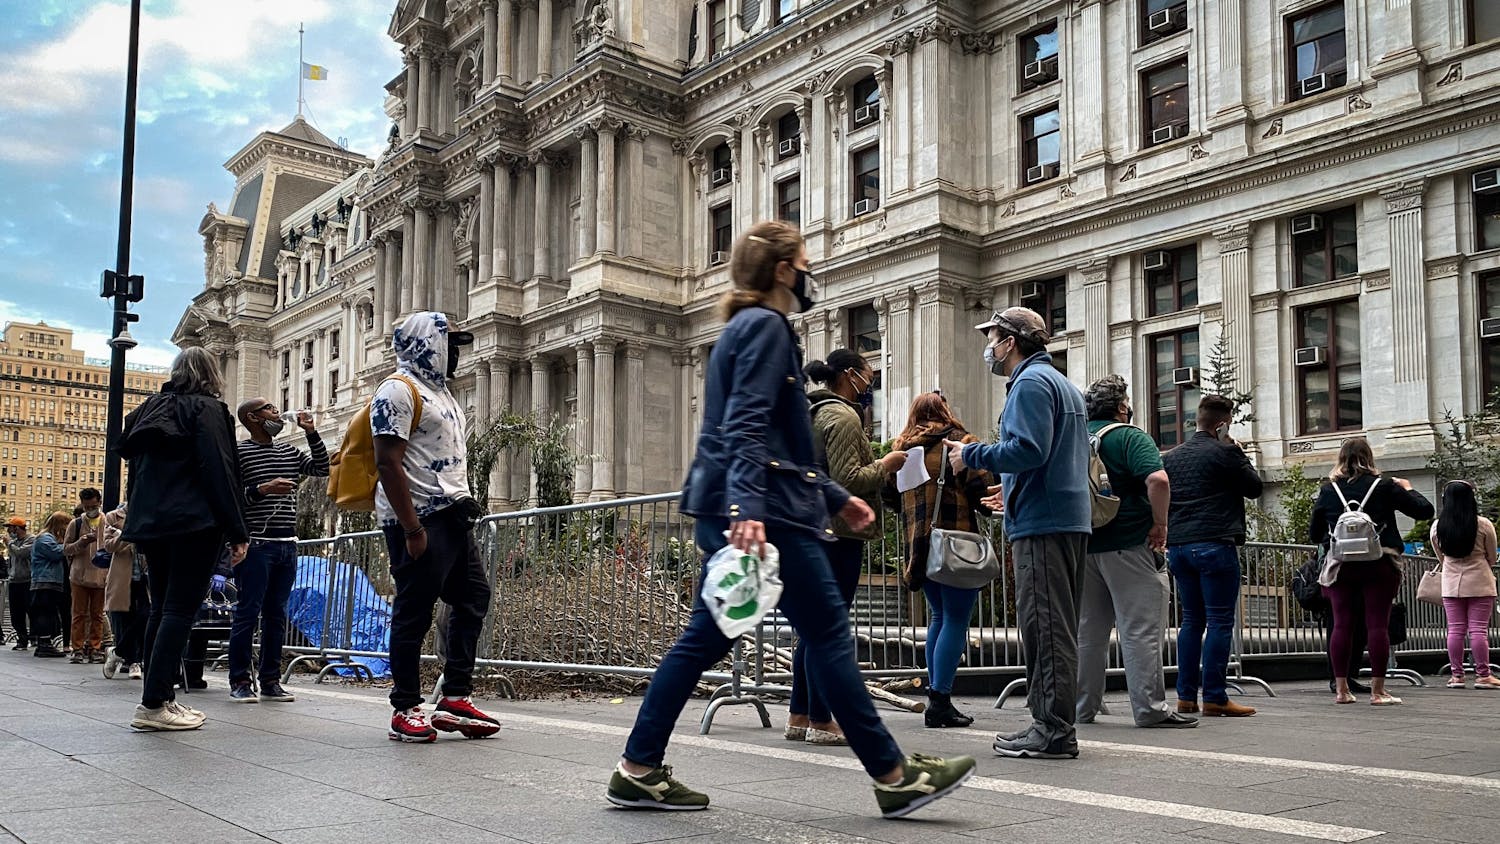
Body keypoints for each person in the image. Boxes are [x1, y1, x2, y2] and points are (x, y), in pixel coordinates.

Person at [609, 221, 974, 818]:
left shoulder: (742, 329)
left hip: (755, 506)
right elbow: (748, 425)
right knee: (828, 635)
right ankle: (893, 773)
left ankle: (638, 767)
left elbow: (781, 440)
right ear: (782, 271)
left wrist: (833, 497)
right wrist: (750, 510)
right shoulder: (767, 327)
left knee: (706, 638)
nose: (809, 273)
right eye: (803, 262)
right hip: (769, 515)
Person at [946, 306, 1090, 760]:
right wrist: (1011, 491)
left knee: (1045, 627)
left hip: (1043, 524)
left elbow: (1028, 449)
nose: (988, 346)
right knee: (1057, 627)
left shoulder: (1029, 382)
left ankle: (1051, 730)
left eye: (992, 337)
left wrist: (970, 455)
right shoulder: (1060, 382)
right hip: (1063, 517)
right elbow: (1053, 457)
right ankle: (1054, 726)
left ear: (1011, 342)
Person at [373, 311, 500, 742]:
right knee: (414, 611)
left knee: (473, 597)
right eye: (452, 344)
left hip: (452, 514)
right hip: (420, 519)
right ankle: (406, 706)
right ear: (429, 343)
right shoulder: (397, 389)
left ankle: (454, 697)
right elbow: (387, 462)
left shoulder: (440, 392)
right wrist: (411, 529)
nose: (456, 354)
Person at [117, 346, 250, 731]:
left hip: (151, 525)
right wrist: (237, 529)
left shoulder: (145, 412)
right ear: (212, 374)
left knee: (161, 608)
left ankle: (160, 698)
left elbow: (136, 474)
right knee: (179, 610)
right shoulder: (208, 410)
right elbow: (220, 470)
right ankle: (155, 703)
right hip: (194, 524)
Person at [793, 348, 906, 745]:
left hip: (815, 528)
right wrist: (887, 464)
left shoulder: (814, 412)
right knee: (827, 629)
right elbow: (848, 479)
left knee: (812, 627)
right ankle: (822, 720)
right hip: (839, 531)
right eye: (868, 373)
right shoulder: (842, 416)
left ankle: (800, 714)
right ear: (850, 375)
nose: (871, 380)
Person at [1075, 376, 1195, 729]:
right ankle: (1150, 709)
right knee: (1140, 629)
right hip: (1129, 544)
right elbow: (1158, 480)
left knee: (1088, 632)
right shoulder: (1129, 436)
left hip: (1083, 545)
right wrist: (1160, 523)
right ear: (1123, 406)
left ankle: (1082, 708)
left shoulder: (1075, 438)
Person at [891, 392, 993, 728]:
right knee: (956, 620)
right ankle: (940, 700)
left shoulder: (902, 449)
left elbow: (891, 498)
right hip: (956, 544)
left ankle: (937, 697)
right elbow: (982, 493)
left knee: (939, 616)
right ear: (945, 411)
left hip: (919, 546)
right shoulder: (959, 443)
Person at [1309, 437, 1434, 706]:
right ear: (1370, 457)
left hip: (1341, 567)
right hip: (1381, 564)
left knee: (1341, 624)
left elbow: (1314, 533)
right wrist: (1409, 488)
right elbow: (1425, 511)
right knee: (1377, 624)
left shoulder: (1329, 490)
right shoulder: (1385, 486)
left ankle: (1342, 690)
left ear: (1341, 458)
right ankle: (1379, 692)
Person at [1162, 395, 1263, 717]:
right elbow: (1255, 488)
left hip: (1178, 547)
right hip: (1215, 544)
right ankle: (1216, 697)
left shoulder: (1172, 456)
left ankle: (1186, 697)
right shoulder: (1226, 452)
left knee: (1191, 620)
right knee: (1220, 621)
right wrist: (1236, 449)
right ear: (1222, 424)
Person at [229, 397, 330, 704]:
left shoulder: (288, 449)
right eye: (270, 409)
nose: (277, 412)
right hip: (257, 544)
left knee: (277, 615)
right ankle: (240, 681)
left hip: (287, 543)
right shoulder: (241, 453)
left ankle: (270, 679)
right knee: (247, 612)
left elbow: (321, 468)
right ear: (253, 418)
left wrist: (312, 433)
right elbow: (231, 497)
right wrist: (263, 490)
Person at [1428, 480, 1498, 690]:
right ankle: (1483, 675)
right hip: (1480, 581)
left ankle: (1456, 676)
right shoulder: (1483, 524)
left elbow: (1441, 556)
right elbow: (1492, 556)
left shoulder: (1438, 526)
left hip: (1451, 582)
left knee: (1455, 630)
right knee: (1478, 630)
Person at [101, 502, 148, 681]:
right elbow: (109, 546)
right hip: (123, 576)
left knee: (146, 614)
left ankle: (117, 652)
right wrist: (128, 535)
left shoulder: (148, 512)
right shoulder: (113, 516)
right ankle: (133, 661)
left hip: (144, 576)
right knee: (124, 618)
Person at [62, 488, 109, 664]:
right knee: (78, 614)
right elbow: (65, 549)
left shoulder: (108, 522)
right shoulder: (75, 524)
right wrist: (80, 543)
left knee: (98, 614)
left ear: (99, 503)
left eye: (94, 506)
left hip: (101, 575)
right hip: (79, 576)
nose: (90, 509)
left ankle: (95, 647)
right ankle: (78, 648)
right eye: (87, 506)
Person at [28, 513, 71, 658]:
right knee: (45, 612)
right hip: (46, 580)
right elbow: (56, 553)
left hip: (48, 580)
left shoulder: (47, 538)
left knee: (48, 612)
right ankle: (44, 643)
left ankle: (44, 643)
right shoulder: (45, 538)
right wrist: (70, 544)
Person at [6, 516, 33, 651]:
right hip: (14, 581)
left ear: (17, 528)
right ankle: (21, 638)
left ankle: (35, 638)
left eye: (10, 528)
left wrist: (10, 543)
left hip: (27, 581)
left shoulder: (31, 539)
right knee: (16, 613)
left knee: (30, 610)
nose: (9, 531)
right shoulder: (14, 542)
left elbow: (21, 552)